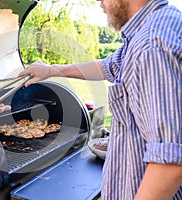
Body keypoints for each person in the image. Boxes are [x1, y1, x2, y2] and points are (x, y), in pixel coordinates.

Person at [19, 0, 182, 199]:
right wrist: (51, 70)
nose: (98, 1)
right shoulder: (155, 26)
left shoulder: (150, 45)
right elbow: (107, 66)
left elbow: (170, 161)